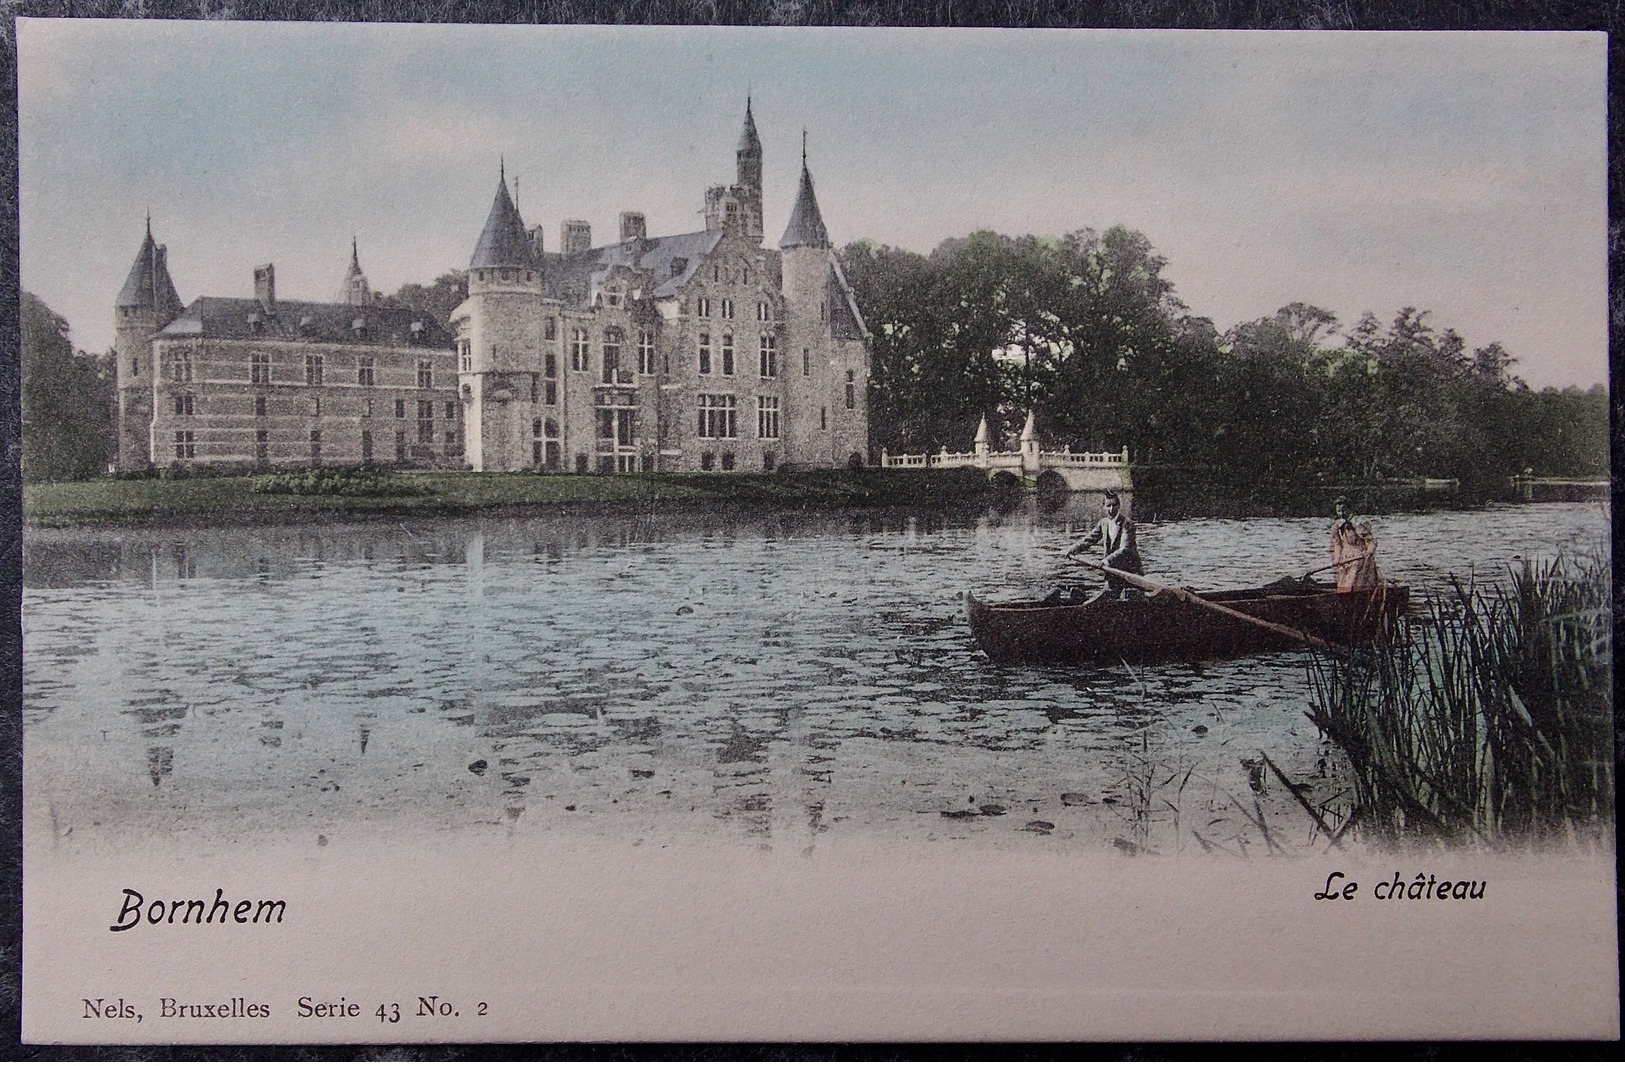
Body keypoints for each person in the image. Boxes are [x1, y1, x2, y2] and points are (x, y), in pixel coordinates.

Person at [1064, 490, 1143, 603]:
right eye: (1108, 505)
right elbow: (1088, 540)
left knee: (1124, 599)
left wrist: (1105, 561)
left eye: (1114, 505)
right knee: (1105, 597)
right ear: (1103, 507)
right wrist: (1073, 549)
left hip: (1130, 575)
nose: (1111, 509)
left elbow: (1125, 549)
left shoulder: (1127, 524)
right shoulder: (1103, 523)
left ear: (1119, 505)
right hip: (1112, 574)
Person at [1329, 497, 1381, 592]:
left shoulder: (1358, 523)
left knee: (1355, 580)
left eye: (1344, 510)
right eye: (1339, 511)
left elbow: (1372, 541)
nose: (1341, 514)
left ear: (1349, 509)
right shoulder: (1337, 526)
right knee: (1342, 580)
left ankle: (1357, 597)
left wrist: (1369, 552)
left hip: (1360, 556)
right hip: (1345, 556)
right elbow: (1337, 544)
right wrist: (1337, 558)